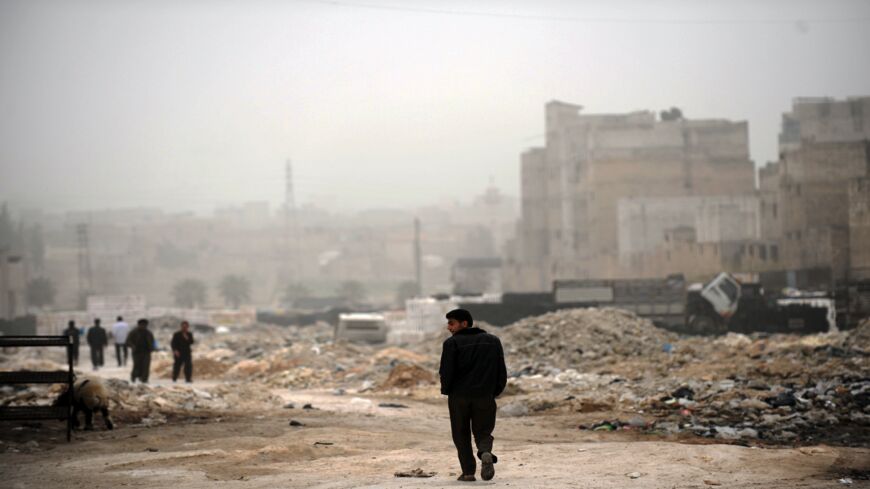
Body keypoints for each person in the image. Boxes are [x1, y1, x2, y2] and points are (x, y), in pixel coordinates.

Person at [439, 308, 507, 482]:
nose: (448, 327)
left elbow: (446, 371)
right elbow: (501, 370)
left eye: (451, 323)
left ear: (464, 323)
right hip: (485, 395)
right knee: (483, 430)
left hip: (459, 396)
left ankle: (468, 472)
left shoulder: (451, 344)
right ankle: (485, 452)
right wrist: (496, 391)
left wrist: (447, 390)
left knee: (461, 433)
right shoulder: (493, 341)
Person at [126, 318, 155, 383]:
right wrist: (132, 346)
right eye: (142, 325)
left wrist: (152, 348)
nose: (143, 326)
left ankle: (144, 379)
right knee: (137, 365)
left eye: (144, 325)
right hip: (137, 352)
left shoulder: (148, 333)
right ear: (139, 325)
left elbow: (152, 341)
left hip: (146, 352)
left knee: (146, 365)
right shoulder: (133, 332)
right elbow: (128, 341)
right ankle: (134, 377)